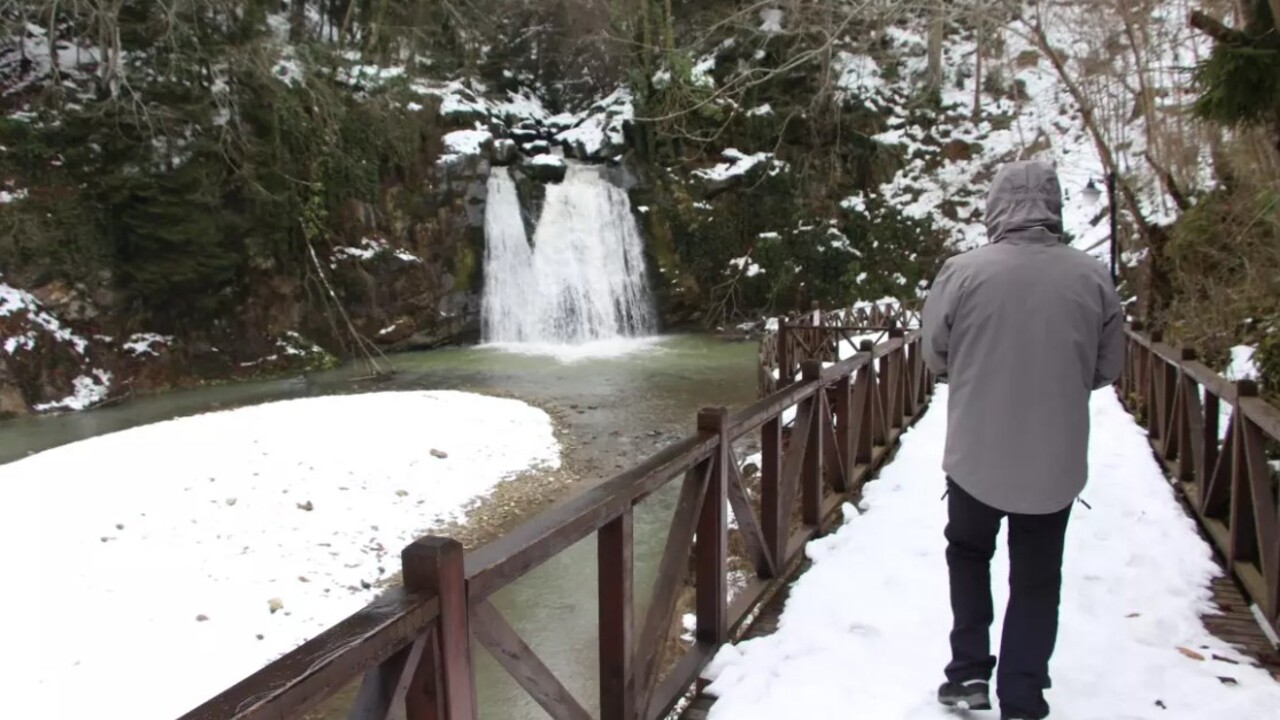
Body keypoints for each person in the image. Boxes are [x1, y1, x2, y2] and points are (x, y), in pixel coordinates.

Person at [920, 160, 1124, 720]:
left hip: (975, 454)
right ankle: (1022, 696)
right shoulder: (1092, 276)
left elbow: (934, 354)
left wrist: (969, 369)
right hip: (1054, 461)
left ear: (996, 207)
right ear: (1054, 207)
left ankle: (967, 673)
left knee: (969, 555)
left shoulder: (961, 272)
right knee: (1037, 579)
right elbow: (1107, 367)